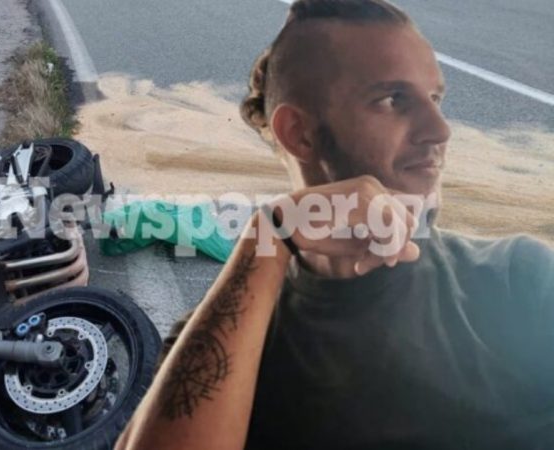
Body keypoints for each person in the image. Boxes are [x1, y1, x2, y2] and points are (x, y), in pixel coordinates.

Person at [114, 0, 554, 449]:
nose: (440, 130)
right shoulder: (221, 337)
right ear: (299, 134)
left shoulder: (519, 278)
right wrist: (268, 235)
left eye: (435, 99)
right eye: (393, 100)